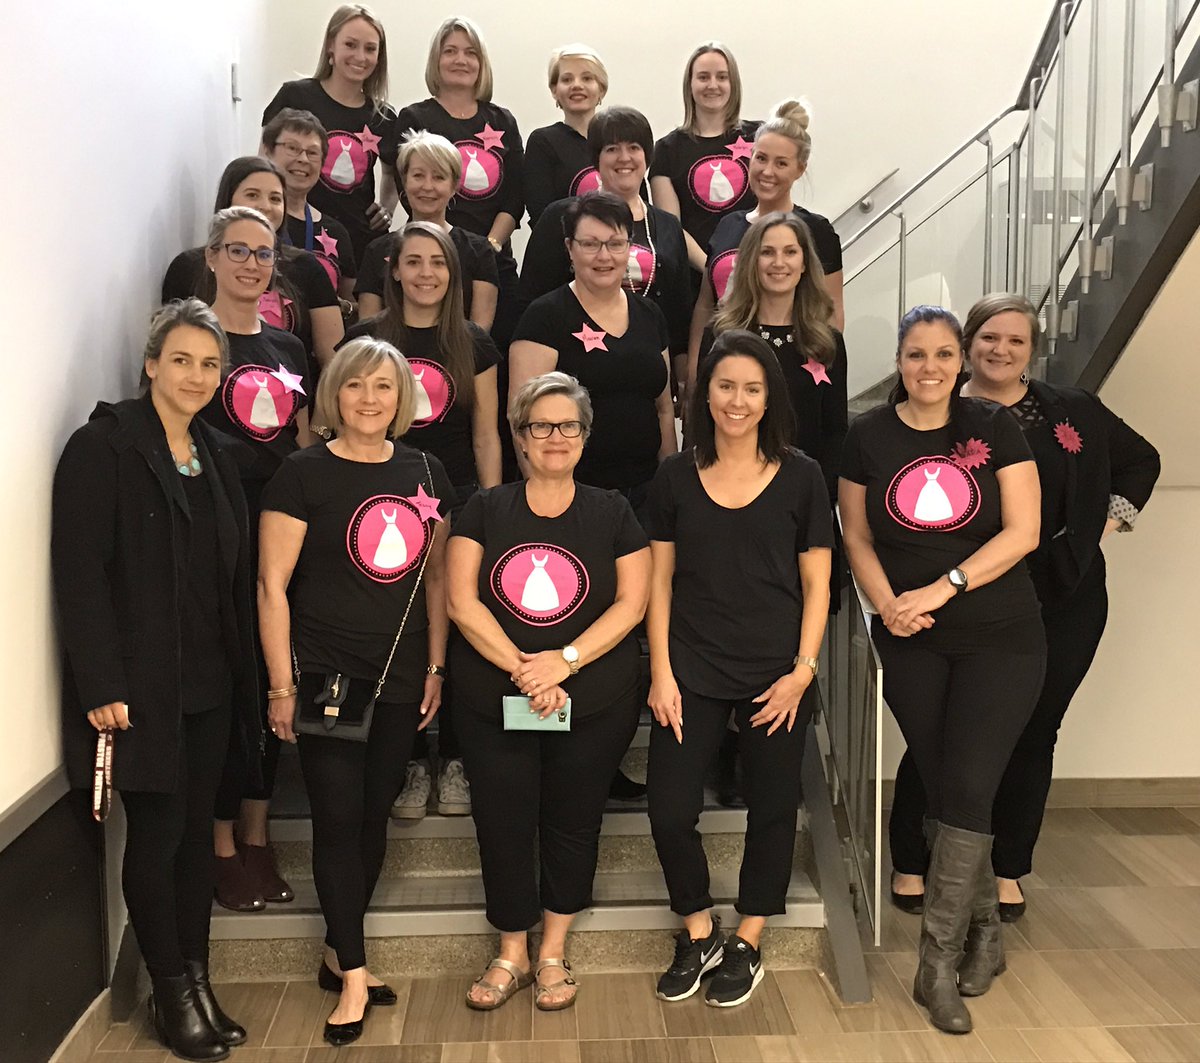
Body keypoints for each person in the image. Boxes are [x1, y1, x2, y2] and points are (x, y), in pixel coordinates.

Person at [887, 293, 1160, 924]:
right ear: (967, 345)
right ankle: (912, 856)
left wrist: (1101, 530)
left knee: (1035, 732)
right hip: (963, 597)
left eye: (1015, 340)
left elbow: (1141, 461)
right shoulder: (938, 414)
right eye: (987, 338)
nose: (1000, 350)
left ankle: (1007, 867)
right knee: (942, 730)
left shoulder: (1073, 413)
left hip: (1062, 597)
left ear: (1033, 349)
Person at [53, 299, 259, 1062]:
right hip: (140, 689)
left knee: (199, 840)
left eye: (209, 363)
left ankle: (199, 980)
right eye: (181, 359)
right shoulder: (102, 449)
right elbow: (80, 576)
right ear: (150, 364)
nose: (196, 375)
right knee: (160, 835)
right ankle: (170, 993)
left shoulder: (216, 454)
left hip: (209, 681)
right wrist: (99, 681)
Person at [839, 305, 1045, 1034]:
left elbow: (1023, 530)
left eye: (944, 353)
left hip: (1002, 635)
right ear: (899, 359)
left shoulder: (993, 427)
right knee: (950, 784)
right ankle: (985, 934)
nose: (930, 366)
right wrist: (888, 603)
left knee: (968, 782)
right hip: (910, 636)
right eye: (916, 353)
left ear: (962, 361)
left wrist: (941, 588)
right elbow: (857, 534)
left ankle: (936, 963)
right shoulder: (867, 434)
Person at [258, 337, 453, 1046]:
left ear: (403, 398)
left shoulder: (427, 469)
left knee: (373, 818)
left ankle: (338, 950)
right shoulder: (301, 473)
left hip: (401, 676)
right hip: (323, 675)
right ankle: (353, 976)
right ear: (334, 395)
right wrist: (280, 683)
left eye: (383, 387)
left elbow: (435, 579)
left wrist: (436, 666)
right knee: (338, 821)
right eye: (355, 386)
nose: (369, 399)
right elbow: (271, 586)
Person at [447, 371, 651, 1012]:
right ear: (521, 438)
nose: (555, 437)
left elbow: (633, 602)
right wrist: (523, 668)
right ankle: (510, 950)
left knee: (573, 820)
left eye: (568, 426)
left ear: (585, 438)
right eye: (541, 425)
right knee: (502, 822)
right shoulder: (484, 507)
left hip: (590, 699)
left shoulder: (613, 510)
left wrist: (563, 662)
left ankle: (552, 952)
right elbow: (460, 601)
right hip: (495, 697)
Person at [645, 331, 832, 1008]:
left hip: (777, 671)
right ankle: (699, 929)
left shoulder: (803, 474)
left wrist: (803, 671)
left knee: (774, 810)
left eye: (753, 388)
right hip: (690, 665)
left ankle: (748, 936)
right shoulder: (673, 475)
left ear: (770, 397)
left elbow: (818, 583)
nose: (737, 399)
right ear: (703, 393)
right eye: (725, 385)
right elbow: (658, 582)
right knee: (669, 810)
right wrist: (660, 671)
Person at [344, 220, 503, 817]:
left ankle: (456, 760)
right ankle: (409, 761)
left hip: (457, 500)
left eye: (437, 263)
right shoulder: (364, 337)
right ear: (394, 270)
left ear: (453, 274)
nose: (426, 273)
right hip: (382, 505)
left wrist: (490, 509)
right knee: (403, 630)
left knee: (459, 629)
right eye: (414, 262)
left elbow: (487, 434)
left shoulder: (474, 343)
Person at [184, 207, 313, 912]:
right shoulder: (193, 341)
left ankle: (259, 835)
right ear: (212, 255)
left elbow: (293, 442)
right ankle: (221, 842)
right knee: (228, 687)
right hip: (215, 530)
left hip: (278, 527)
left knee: (273, 681)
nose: (251, 263)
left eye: (263, 253)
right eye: (237, 250)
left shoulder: (288, 348)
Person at [509, 193, 676, 517]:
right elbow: (521, 421)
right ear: (570, 248)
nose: (604, 255)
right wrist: (547, 502)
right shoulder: (544, 317)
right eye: (590, 244)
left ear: (629, 246)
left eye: (615, 243)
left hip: (645, 495)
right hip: (572, 497)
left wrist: (668, 488)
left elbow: (664, 409)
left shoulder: (650, 314)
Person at [687, 99, 844, 401]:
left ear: (800, 169)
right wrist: (695, 374)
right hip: (728, 373)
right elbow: (705, 308)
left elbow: (832, 313)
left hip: (794, 376)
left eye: (781, 163)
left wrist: (818, 377)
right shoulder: (727, 226)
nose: (767, 171)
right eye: (761, 158)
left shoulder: (817, 231)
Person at [519, 108, 692, 378]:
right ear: (595, 159)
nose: (624, 158)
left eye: (634, 147)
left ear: (647, 157)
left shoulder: (668, 225)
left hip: (646, 365)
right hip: (574, 365)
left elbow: (680, 312)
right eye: (612, 149)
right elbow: (531, 298)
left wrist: (682, 379)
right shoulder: (560, 217)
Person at [396, 17, 524, 349]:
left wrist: (486, 248)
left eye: (470, 53)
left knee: (490, 356)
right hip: (429, 258)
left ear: (482, 63)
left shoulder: (502, 121)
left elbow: (514, 198)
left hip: (494, 261)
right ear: (436, 61)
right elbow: (409, 191)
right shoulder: (415, 118)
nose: (460, 60)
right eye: (450, 51)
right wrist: (444, 252)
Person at [700, 212, 847, 497]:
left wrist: (821, 499)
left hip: (806, 497)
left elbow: (835, 432)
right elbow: (703, 421)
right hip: (733, 497)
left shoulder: (827, 343)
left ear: (804, 263)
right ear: (752, 262)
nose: (779, 263)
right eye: (767, 252)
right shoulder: (720, 336)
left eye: (790, 252)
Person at [161, 156, 344, 374]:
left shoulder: (306, 267)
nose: (265, 206)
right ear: (229, 199)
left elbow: (332, 362)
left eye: (275, 198)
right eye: (252, 195)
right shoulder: (187, 267)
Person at [262, 4, 398, 267]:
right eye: (350, 44)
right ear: (331, 46)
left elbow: (392, 173)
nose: (360, 56)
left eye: (370, 48)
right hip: (291, 231)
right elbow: (264, 161)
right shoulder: (295, 97)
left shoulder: (383, 116)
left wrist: (387, 208)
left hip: (357, 239)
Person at [355, 131, 499, 329]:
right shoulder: (377, 250)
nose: (427, 186)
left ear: (454, 186)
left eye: (439, 177)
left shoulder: (479, 251)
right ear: (404, 181)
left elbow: (480, 336)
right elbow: (367, 334)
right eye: (418, 176)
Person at [649, 43, 759, 276]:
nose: (712, 85)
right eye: (703, 77)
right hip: (699, 279)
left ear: (733, 84)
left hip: (758, 271)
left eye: (722, 77)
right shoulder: (667, 150)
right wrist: (714, 270)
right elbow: (672, 227)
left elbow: (775, 205)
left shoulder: (760, 137)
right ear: (690, 85)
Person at [261, 108, 358, 302]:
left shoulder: (336, 232)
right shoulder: (253, 222)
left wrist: (342, 308)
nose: (303, 159)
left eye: (313, 152)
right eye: (292, 148)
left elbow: (353, 303)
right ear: (267, 151)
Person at [524, 44, 608, 226]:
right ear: (554, 90)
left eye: (587, 78)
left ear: (601, 89)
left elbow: (638, 206)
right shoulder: (542, 142)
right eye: (567, 79)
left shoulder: (619, 140)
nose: (577, 85)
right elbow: (541, 213)